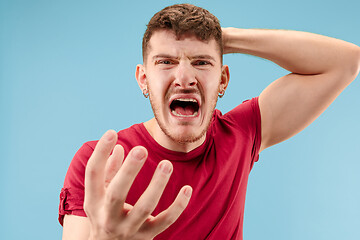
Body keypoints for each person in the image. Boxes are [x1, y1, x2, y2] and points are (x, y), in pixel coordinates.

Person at [59, 3, 360, 240]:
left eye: (202, 62)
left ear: (223, 80)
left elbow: (345, 62)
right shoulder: (99, 163)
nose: (185, 78)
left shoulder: (240, 135)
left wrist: (224, 38)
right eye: (166, 62)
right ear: (143, 79)